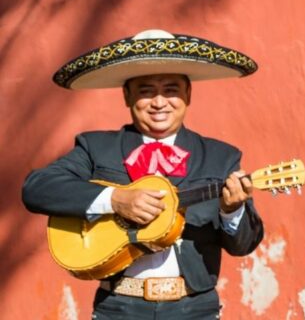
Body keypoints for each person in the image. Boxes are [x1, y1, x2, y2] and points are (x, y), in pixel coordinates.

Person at [22, 29, 264, 319]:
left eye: (171, 90)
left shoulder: (221, 157)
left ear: (188, 94)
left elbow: (244, 246)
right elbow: (36, 188)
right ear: (127, 96)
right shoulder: (96, 147)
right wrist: (115, 199)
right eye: (146, 91)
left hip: (194, 308)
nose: (159, 102)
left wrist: (232, 212)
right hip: (118, 306)